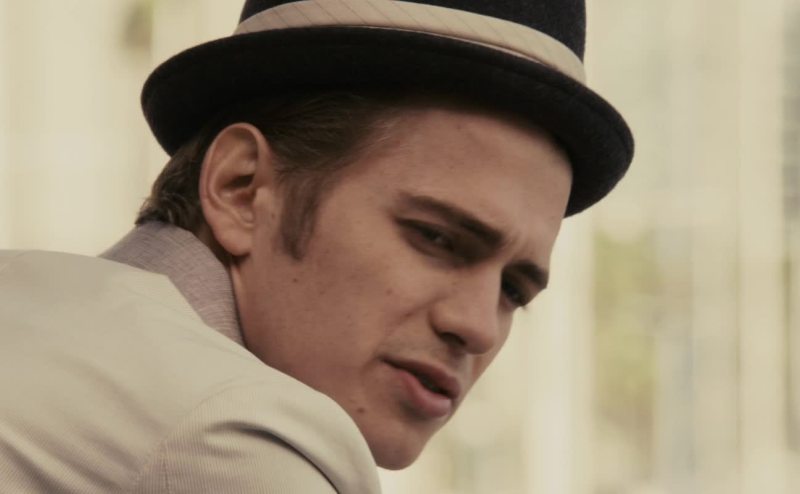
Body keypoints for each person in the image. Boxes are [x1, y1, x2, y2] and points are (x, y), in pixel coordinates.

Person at [0, 0, 633, 492]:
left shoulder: (28, 304)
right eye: (436, 238)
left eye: (514, 290)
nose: (477, 327)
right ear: (242, 189)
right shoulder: (234, 434)